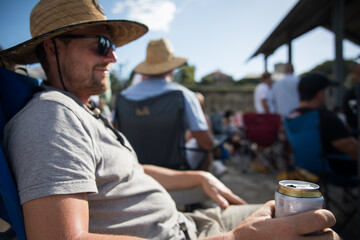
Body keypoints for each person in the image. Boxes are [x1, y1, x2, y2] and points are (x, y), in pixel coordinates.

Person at [0, 1, 339, 239]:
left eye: (113, 45)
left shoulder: (89, 109)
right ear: (53, 48)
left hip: (188, 221)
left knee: (306, 224)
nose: (114, 56)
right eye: (102, 44)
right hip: (190, 234)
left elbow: (126, 172)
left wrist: (197, 175)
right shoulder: (51, 117)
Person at [119, 38, 214, 171]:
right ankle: (199, 186)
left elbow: (115, 132)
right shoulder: (184, 95)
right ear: (171, 69)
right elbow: (205, 143)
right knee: (205, 147)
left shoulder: (123, 96)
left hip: (133, 166)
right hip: (174, 168)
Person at [288, 72, 358, 175]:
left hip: (308, 167)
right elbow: (352, 149)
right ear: (320, 93)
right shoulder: (325, 118)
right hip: (337, 169)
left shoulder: (292, 116)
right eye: (327, 91)